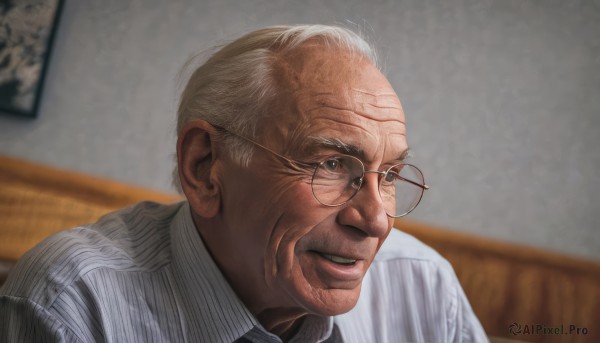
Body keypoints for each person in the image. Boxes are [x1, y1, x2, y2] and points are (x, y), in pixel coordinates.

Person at [0, 25, 487, 342]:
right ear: (204, 166)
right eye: (332, 165)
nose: (376, 219)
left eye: (392, 175)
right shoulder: (72, 305)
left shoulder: (424, 285)